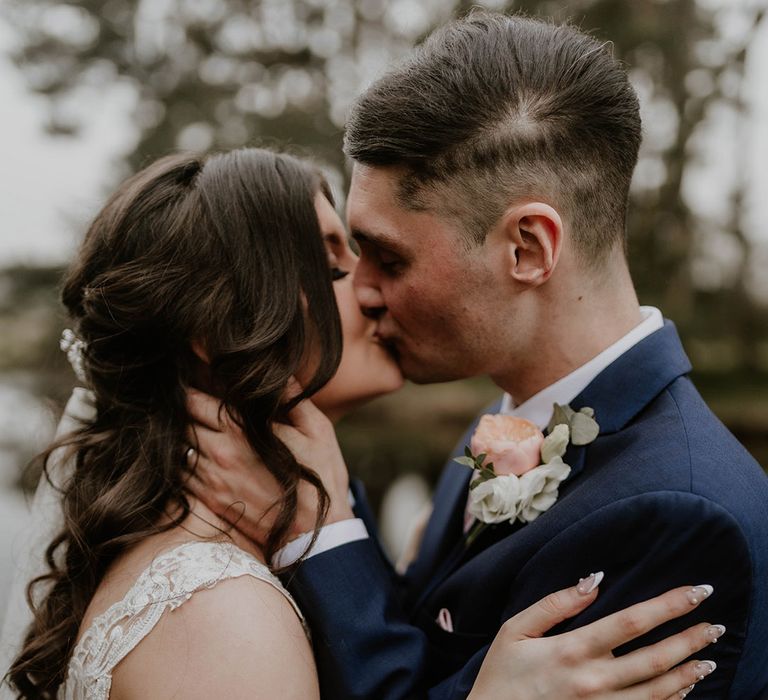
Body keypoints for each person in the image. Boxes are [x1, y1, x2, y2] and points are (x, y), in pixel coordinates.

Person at [187, 12, 768, 700]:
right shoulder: (511, 420)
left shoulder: (677, 516)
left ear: (527, 247)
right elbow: (426, 649)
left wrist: (320, 537)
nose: (361, 291)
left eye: (389, 257)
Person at [2, 147, 715, 700]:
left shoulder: (267, 536)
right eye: (332, 260)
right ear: (220, 329)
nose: (372, 290)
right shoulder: (218, 613)